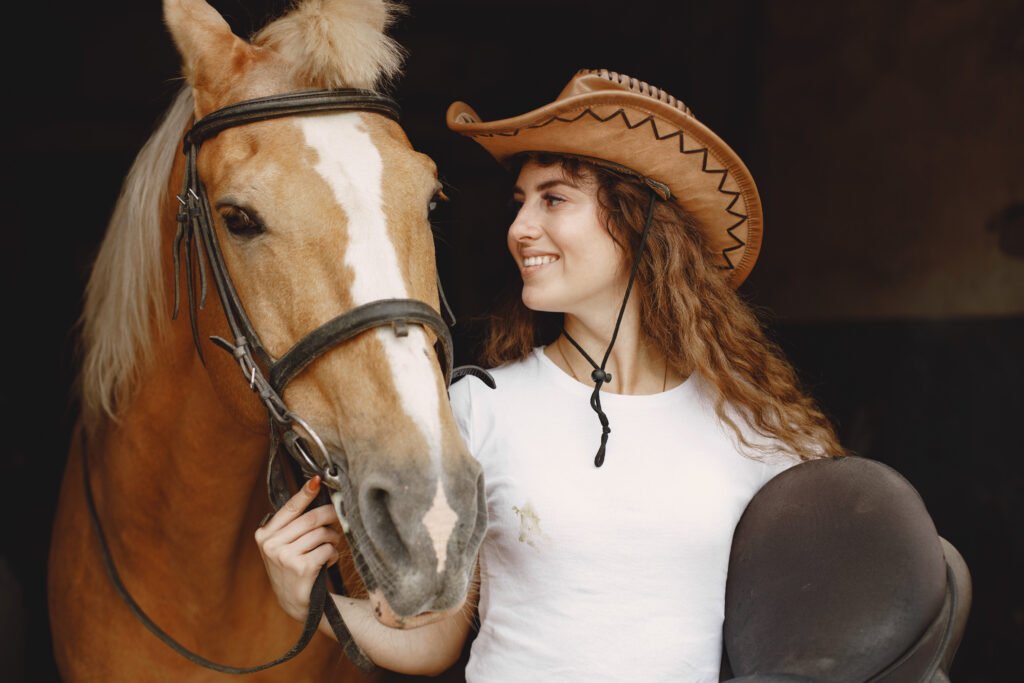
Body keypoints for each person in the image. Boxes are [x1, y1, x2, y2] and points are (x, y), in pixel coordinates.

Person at [256, 68, 846, 681]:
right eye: (520, 203)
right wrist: (309, 602)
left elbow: (819, 634)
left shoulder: (757, 431)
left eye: (554, 199)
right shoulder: (478, 409)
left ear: (636, 219)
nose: (519, 229)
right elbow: (432, 642)